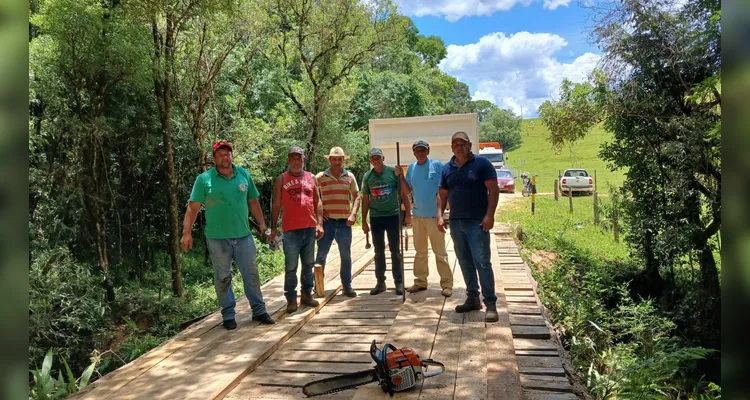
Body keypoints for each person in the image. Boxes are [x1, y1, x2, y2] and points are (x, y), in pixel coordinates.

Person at [180, 140, 275, 330]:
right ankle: (229, 315)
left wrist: (263, 225)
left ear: (232, 155)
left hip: (243, 236)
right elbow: (193, 208)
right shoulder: (204, 179)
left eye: (228, 153)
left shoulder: (243, 175)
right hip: (217, 238)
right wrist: (186, 233)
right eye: (221, 154)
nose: (225, 157)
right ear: (214, 158)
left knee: (251, 274)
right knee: (223, 277)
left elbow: (253, 201)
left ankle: (259, 310)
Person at [438, 131, 501, 322]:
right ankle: (473, 298)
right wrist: (440, 216)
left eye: (463, 143)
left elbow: (493, 189)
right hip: (456, 222)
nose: (459, 146)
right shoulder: (447, 168)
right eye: (455, 144)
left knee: (482, 262)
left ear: (470, 144)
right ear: (451, 147)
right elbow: (442, 195)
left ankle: (490, 304)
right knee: (465, 262)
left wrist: (490, 215)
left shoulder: (482, 164)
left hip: (477, 222)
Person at [270, 146, 325, 313]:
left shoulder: (312, 177)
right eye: (293, 158)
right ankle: (291, 299)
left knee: (308, 264)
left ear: (303, 160)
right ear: (288, 160)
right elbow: (277, 204)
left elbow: (318, 201)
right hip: (290, 230)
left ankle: (307, 294)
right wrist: (273, 228)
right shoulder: (281, 179)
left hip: (309, 228)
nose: (296, 161)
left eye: (299, 158)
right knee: (291, 266)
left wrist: (319, 223)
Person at [397, 140, 453, 297]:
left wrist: (442, 212)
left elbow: (445, 188)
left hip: (435, 217)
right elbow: (407, 190)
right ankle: (420, 282)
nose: (420, 153)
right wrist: (401, 176)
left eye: (423, 150)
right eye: (417, 150)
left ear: (428, 151)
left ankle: (447, 284)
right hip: (418, 216)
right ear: (414, 152)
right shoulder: (412, 168)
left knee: (440, 252)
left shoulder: (437, 166)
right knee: (420, 252)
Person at [361, 148, 411, 296]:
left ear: (383, 158)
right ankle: (380, 282)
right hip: (376, 217)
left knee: (395, 251)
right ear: (370, 161)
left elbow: (404, 194)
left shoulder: (393, 173)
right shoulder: (367, 177)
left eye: (378, 157)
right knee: (378, 251)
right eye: (373, 158)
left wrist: (408, 214)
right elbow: (365, 199)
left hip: (393, 215)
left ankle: (399, 282)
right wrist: (363, 221)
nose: (376, 160)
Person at [314, 147, 361, 297]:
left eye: (339, 159)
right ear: (329, 160)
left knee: (345, 255)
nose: (337, 162)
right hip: (327, 223)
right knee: (321, 254)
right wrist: (319, 215)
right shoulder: (320, 177)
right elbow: (312, 197)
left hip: (344, 222)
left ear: (343, 160)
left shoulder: (350, 177)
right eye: (334, 159)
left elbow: (357, 196)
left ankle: (347, 286)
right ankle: (318, 286)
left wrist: (353, 214)